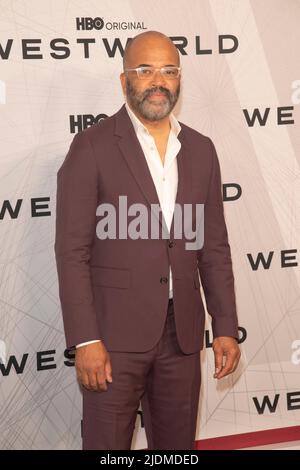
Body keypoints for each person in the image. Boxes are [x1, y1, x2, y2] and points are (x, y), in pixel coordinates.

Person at [54, 30, 241, 450]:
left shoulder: (201, 149)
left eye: (169, 71)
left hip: (183, 336)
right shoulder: (91, 147)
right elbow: (71, 253)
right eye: (145, 70)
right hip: (112, 341)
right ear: (124, 81)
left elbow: (213, 247)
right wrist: (85, 339)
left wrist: (225, 326)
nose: (158, 81)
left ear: (179, 80)